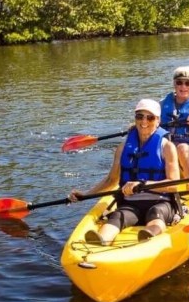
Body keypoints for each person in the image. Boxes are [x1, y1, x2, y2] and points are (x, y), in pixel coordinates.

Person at [68, 99, 180, 245]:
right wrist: (87, 194)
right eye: (140, 116)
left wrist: (143, 183)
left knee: (155, 214)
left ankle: (149, 236)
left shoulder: (167, 147)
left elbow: (174, 185)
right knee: (118, 216)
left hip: (160, 202)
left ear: (158, 121)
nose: (144, 121)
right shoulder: (123, 148)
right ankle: (100, 241)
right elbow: (111, 180)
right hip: (131, 203)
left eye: (150, 117)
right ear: (135, 119)